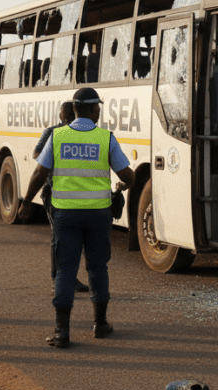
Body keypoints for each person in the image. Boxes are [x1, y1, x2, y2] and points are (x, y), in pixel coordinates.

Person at [17, 88, 135, 348]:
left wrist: (26, 202)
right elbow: (128, 176)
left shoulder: (58, 136)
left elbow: (39, 172)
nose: (100, 112)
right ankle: (100, 324)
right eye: (98, 108)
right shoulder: (106, 138)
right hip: (98, 215)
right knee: (97, 268)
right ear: (93, 110)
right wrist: (124, 185)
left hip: (65, 215)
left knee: (65, 270)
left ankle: (62, 331)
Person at [32, 101, 89, 294]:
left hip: (74, 192)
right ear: (60, 117)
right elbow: (36, 154)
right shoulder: (52, 133)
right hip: (52, 190)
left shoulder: (82, 133)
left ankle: (68, 278)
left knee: (71, 238)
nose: (68, 121)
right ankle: (58, 279)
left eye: (71, 118)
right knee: (58, 236)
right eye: (66, 118)